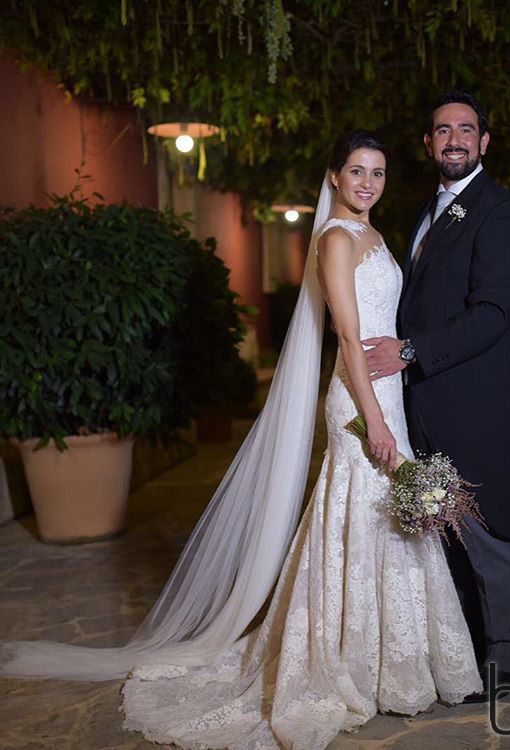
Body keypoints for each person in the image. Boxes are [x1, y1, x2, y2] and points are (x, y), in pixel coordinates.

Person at [1, 131, 482, 749]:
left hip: (386, 395)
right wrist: (376, 418)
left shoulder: (375, 236)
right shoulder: (336, 239)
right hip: (360, 403)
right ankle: (351, 665)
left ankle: (400, 665)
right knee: (359, 518)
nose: (368, 182)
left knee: (390, 521)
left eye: (379, 172)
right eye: (357, 171)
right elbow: (346, 335)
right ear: (333, 177)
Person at [364, 91, 510, 701]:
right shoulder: (424, 211)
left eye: (467, 130)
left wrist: (408, 352)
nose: (455, 139)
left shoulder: (503, 212)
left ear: (485, 142)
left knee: (496, 533)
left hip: (481, 407)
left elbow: (493, 312)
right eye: (443, 130)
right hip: (426, 406)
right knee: (447, 535)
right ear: (429, 143)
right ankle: (466, 655)